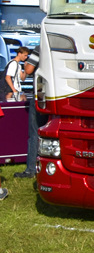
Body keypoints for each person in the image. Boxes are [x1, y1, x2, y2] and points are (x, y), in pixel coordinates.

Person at [14, 48, 40, 179]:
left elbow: (29, 70)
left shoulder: (40, 48)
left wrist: (26, 65)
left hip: (40, 95)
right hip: (57, 95)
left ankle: (31, 169)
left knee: (34, 133)